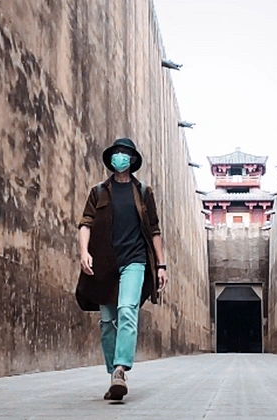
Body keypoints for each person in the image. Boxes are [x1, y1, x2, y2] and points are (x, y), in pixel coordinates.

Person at [75, 137, 168, 401]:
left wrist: (161, 265)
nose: (120, 157)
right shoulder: (99, 191)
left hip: (135, 261)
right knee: (107, 323)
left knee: (127, 310)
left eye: (125, 153)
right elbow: (85, 223)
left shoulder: (143, 192)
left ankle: (120, 369)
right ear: (111, 159)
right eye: (116, 153)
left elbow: (154, 230)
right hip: (104, 265)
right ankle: (113, 374)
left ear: (133, 159)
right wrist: (84, 251)